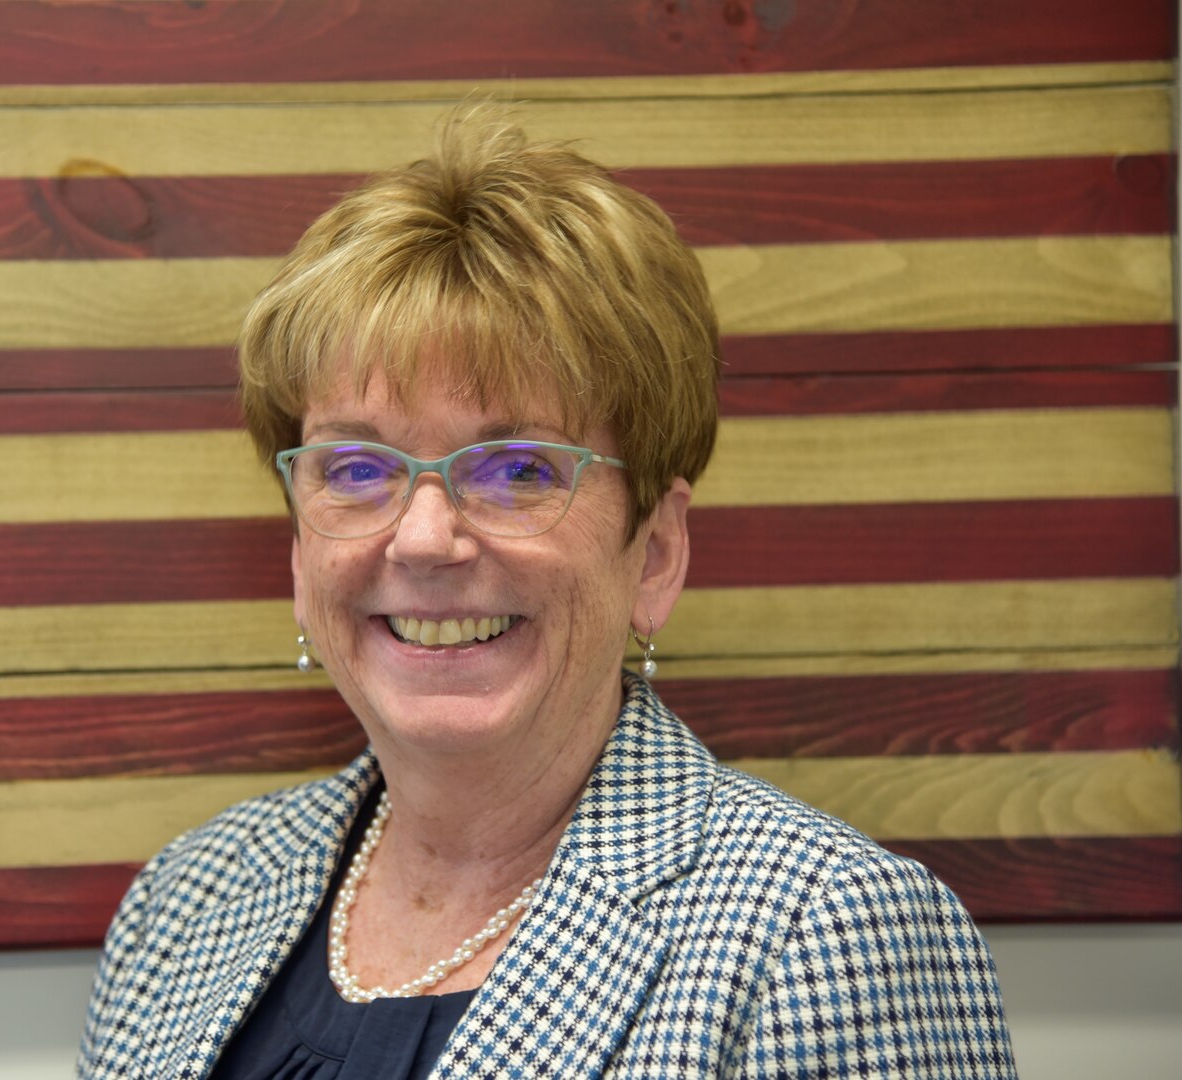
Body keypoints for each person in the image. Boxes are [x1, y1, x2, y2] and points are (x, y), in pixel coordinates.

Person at [79, 111, 1016, 1079]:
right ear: (296, 547)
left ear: (652, 553)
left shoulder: (827, 939)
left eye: (518, 468)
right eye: (356, 467)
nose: (424, 537)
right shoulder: (186, 902)